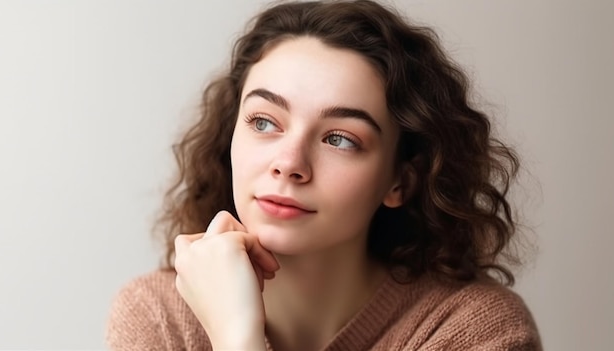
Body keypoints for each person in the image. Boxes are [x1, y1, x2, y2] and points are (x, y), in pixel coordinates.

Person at [106, 0, 542, 350]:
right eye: (263, 122)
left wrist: (238, 338)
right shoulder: (159, 319)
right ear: (230, 139)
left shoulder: (476, 331)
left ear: (400, 182)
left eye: (339, 139)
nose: (290, 162)